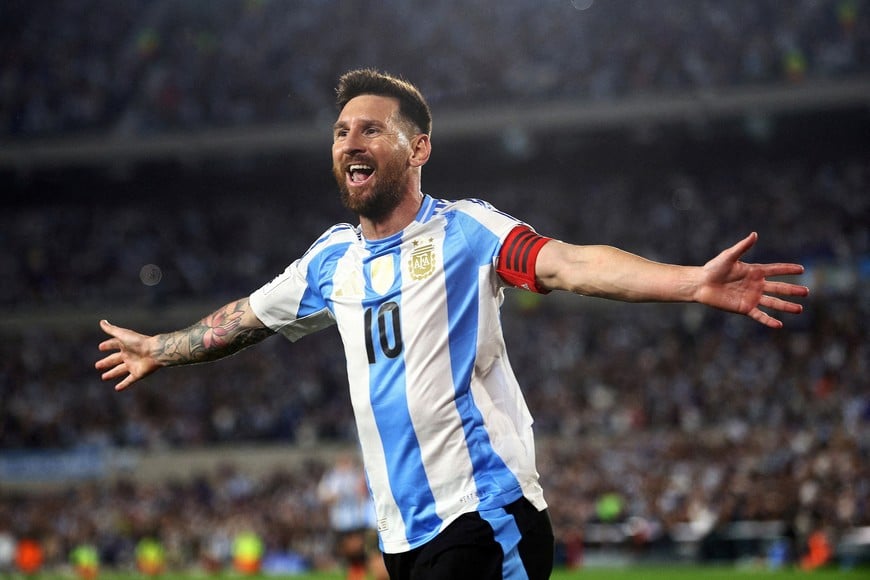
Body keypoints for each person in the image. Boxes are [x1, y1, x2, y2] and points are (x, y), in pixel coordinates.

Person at [96, 68, 809, 580]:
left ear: (420, 149)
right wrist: (162, 349)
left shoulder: (465, 231)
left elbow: (566, 263)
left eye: (372, 128)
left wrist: (689, 282)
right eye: (342, 130)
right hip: (402, 537)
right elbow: (245, 318)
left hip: (482, 515)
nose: (351, 140)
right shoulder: (328, 262)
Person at [318, 453, 388, 580]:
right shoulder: (332, 477)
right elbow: (323, 496)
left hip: (360, 522)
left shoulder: (356, 475)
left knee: (367, 554)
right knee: (354, 555)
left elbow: (362, 493)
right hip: (341, 522)